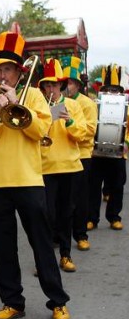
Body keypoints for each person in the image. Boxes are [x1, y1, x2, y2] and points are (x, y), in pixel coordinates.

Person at [0, 31, 70, 319]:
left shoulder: (34, 94)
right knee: (2, 247)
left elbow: (40, 131)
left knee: (41, 243)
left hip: (29, 179)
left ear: (18, 72)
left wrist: (17, 105)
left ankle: (58, 302)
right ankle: (12, 302)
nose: (2, 75)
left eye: (7, 69)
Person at [38, 58, 86, 273]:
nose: (51, 88)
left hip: (70, 167)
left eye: (55, 84)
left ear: (61, 86)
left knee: (66, 214)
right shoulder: (38, 106)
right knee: (46, 215)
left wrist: (69, 121)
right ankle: (46, 260)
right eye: (47, 84)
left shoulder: (73, 106)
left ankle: (65, 255)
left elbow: (82, 135)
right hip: (45, 168)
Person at [61, 56, 98, 251]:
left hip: (81, 155)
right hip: (60, 157)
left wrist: (72, 132)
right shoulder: (56, 101)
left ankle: (81, 234)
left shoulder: (87, 104)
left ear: (76, 84)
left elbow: (90, 130)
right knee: (62, 200)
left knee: (80, 199)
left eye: (69, 82)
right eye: (64, 82)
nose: (66, 86)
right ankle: (59, 235)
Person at [87, 64, 128, 231]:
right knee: (93, 187)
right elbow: (89, 126)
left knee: (117, 186)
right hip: (97, 154)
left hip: (118, 155)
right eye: (108, 89)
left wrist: (126, 142)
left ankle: (114, 217)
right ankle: (91, 218)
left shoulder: (126, 107)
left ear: (119, 91)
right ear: (102, 90)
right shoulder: (94, 105)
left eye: (114, 89)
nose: (111, 92)